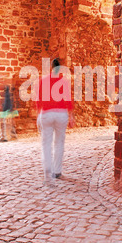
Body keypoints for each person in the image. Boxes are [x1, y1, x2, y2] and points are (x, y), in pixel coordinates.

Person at [36, 58, 74, 186]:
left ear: (51, 68)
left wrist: (38, 115)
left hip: (46, 113)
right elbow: (68, 100)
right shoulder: (63, 82)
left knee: (46, 143)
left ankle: (47, 170)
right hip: (61, 114)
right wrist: (72, 116)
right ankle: (57, 171)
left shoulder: (43, 81)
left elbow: (38, 100)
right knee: (59, 142)